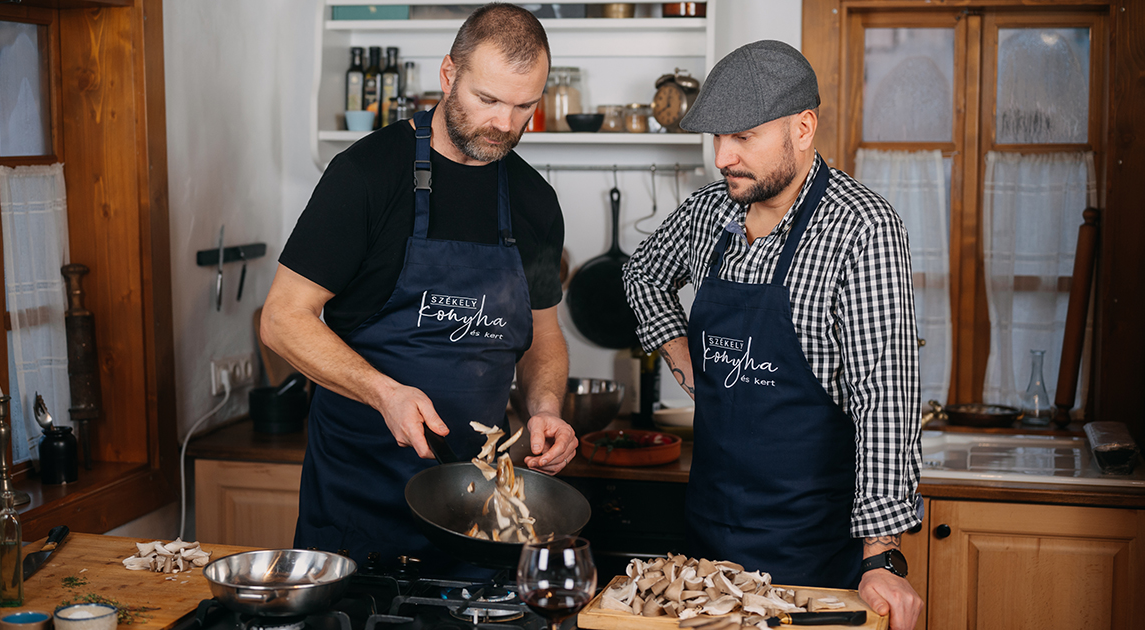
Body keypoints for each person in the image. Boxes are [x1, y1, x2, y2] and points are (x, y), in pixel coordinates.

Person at [260, 3, 578, 577]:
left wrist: (545, 408)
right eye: (488, 100)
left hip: (479, 519)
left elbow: (542, 336)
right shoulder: (365, 175)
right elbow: (283, 317)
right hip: (359, 514)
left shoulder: (534, 201)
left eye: (524, 106)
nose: (505, 124)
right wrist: (385, 393)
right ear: (449, 76)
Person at [623, 41, 923, 629]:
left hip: (814, 553)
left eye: (743, 137)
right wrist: (684, 357)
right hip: (706, 546)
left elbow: (885, 399)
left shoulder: (861, 229)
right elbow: (642, 273)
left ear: (803, 128)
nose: (723, 157)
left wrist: (882, 558)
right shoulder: (709, 213)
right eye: (716, 138)